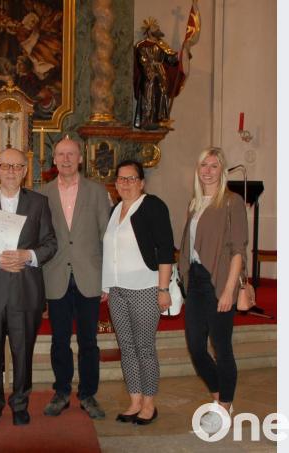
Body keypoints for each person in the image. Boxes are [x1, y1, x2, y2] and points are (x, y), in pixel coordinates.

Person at [0, 148, 57, 427]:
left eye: (17, 166)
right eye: (6, 166)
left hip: (25, 290)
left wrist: (28, 256)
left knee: (22, 352)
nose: (12, 171)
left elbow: (50, 242)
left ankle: (20, 403)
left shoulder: (39, 203)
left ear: (26, 171)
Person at [37, 139, 111, 420]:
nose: (66, 159)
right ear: (53, 160)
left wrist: (106, 279)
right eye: (60, 154)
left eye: (71, 154)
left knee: (89, 340)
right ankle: (62, 391)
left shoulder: (96, 191)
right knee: (59, 339)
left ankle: (89, 394)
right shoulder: (43, 194)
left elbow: (107, 236)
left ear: (81, 158)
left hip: (89, 275)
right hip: (55, 275)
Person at [178, 147, 248, 434]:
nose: (207, 170)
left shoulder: (232, 201)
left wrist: (229, 289)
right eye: (203, 164)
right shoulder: (195, 203)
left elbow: (237, 249)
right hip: (195, 281)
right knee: (195, 346)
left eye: (214, 165)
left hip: (218, 281)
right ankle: (219, 399)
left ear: (223, 170)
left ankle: (224, 407)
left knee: (221, 346)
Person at [101, 160, 176, 425]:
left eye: (131, 178)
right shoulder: (114, 210)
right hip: (117, 290)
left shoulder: (153, 206)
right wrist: (106, 285)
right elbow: (110, 253)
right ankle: (134, 401)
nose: (125, 183)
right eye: (121, 178)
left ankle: (149, 403)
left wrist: (163, 288)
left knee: (144, 348)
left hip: (145, 287)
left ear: (142, 182)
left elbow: (166, 249)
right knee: (127, 348)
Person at [132, 17, 186, 130]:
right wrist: (149, 71)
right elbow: (142, 60)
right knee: (149, 95)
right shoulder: (142, 45)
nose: (158, 32)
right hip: (149, 76)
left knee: (161, 94)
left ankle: (160, 118)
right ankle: (147, 120)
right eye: (155, 30)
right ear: (149, 31)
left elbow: (171, 60)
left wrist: (183, 53)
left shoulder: (162, 45)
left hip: (161, 75)